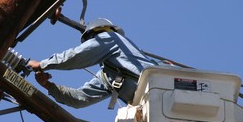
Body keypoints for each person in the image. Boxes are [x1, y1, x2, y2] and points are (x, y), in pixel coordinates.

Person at [28, 18, 156, 109]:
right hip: (151, 106)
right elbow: (79, 99)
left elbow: (77, 56)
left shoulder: (112, 38)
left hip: (158, 89)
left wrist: (43, 64)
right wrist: (48, 86)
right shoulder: (107, 76)